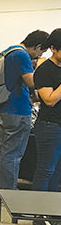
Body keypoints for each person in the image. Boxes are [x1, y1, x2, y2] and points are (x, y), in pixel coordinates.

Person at [0, 30, 50, 189]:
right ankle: (9, 191)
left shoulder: (9, 51)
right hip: (18, 109)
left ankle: (3, 188)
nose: (39, 56)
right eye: (42, 52)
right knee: (13, 154)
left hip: (5, 108)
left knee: (5, 151)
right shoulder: (22, 55)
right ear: (38, 46)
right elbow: (32, 82)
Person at [32, 29, 61, 192]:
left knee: (57, 172)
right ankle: (38, 214)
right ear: (53, 48)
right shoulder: (44, 70)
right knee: (46, 170)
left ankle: (51, 211)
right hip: (50, 126)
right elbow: (49, 99)